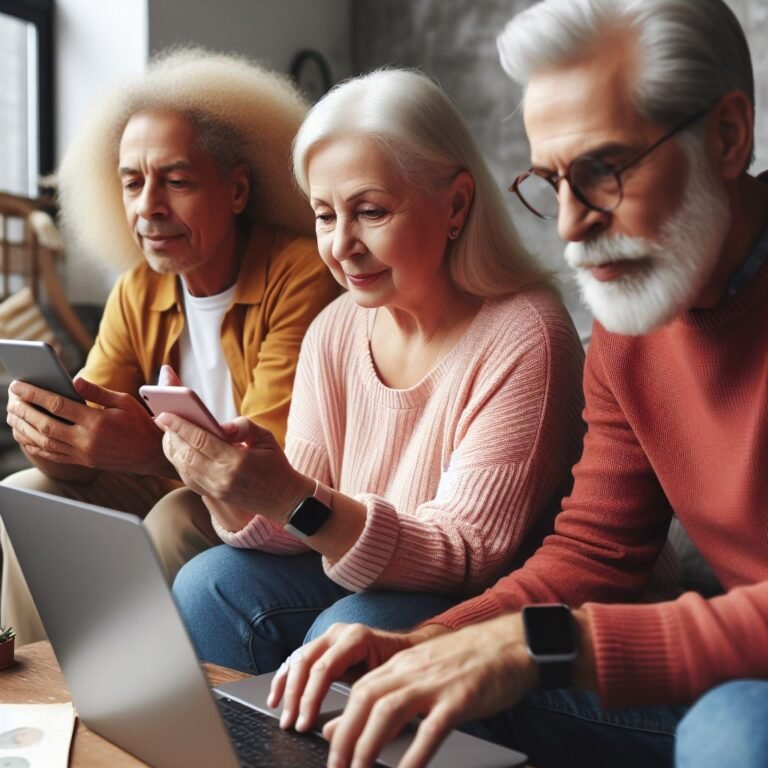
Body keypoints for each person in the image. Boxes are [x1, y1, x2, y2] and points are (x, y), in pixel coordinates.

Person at [267, 2, 768, 768]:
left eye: (603, 171)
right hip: (729, 651)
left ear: (729, 136)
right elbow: (598, 552)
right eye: (552, 180)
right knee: (400, 684)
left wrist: (538, 645)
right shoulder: (632, 323)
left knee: (737, 728)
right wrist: (432, 642)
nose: (568, 224)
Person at [158, 68, 586, 677]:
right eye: (325, 215)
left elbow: (470, 555)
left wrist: (291, 497)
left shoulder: (526, 332)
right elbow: (304, 517)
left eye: (370, 212)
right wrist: (236, 488)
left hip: (494, 609)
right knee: (209, 584)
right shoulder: (335, 329)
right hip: (375, 576)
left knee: (345, 628)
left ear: (456, 204)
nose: (341, 245)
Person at [0, 48, 340, 645]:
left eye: (176, 181)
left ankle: (159, 700)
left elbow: (270, 464)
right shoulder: (138, 288)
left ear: (237, 190)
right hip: (180, 480)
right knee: (25, 493)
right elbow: (91, 439)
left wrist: (147, 453)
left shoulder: (302, 274)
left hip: (272, 511)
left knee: (177, 516)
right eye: (132, 182)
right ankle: (40, 687)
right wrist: (52, 436)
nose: (148, 208)